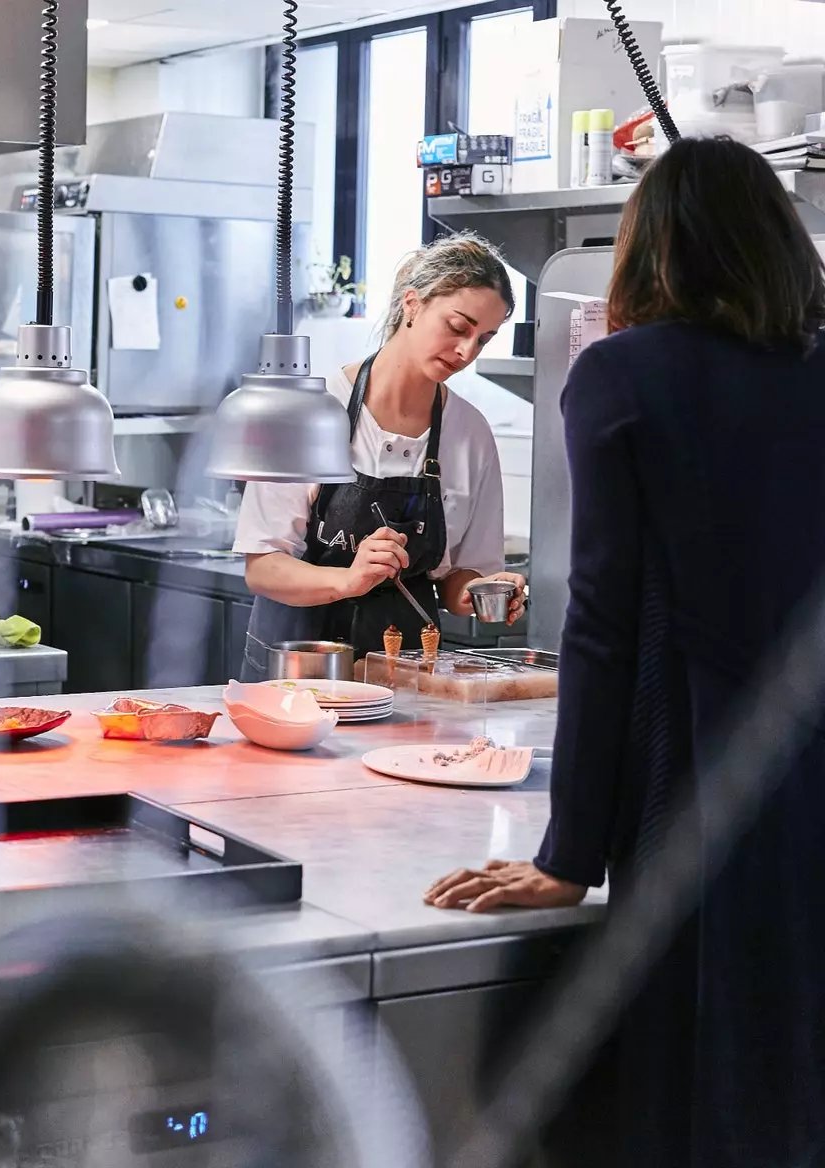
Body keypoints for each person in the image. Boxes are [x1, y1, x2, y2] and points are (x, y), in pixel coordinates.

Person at [425, 138, 825, 1163]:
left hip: (692, 779)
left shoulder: (622, 374)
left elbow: (599, 623)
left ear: (647, 252)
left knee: (697, 1091)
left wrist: (567, 855)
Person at [232, 232, 527, 675]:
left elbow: (456, 584)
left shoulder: (470, 434)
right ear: (412, 304)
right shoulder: (312, 411)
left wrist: (484, 591)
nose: (467, 351)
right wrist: (348, 579)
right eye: (457, 327)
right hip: (295, 673)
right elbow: (263, 568)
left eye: (484, 339)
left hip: (404, 672)